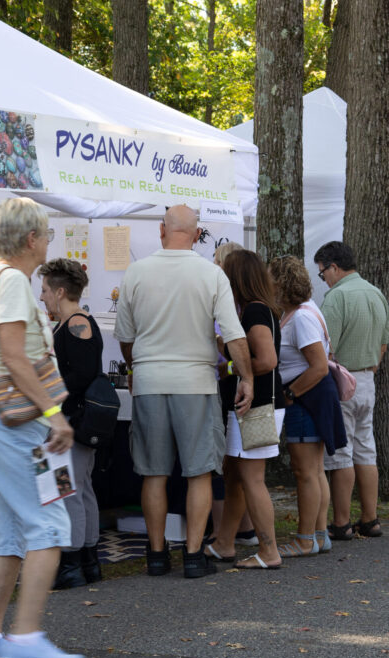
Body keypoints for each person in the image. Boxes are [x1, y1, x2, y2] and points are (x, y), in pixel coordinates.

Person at [0, 197, 85, 658]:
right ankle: (26, 638)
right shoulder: (12, 280)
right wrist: (55, 413)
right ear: (32, 239)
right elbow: (14, 355)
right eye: (48, 234)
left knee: (10, 536)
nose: (49, 241)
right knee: (50, 525)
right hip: (11, 421)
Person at [114, 205, 253, 578]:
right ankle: (193, 555)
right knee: (200, 474)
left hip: (150, 381)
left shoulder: (137, 272)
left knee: (153, 474)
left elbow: (126, 338)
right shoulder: (211, 275)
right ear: (196, 234)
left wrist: (135, 366)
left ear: (162, 230)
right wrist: (247, 378)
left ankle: (157, 554)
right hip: (195, 382)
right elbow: (234, 334)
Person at [199, 245, 288, 569]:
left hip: (257, 404)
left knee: (251, 478)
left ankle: (269, 550)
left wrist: (231, 366)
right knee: (237, 475)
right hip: (254, 404)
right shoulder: (260, 309)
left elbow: (266, 360)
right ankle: (224, 543)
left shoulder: (253, 311)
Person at [313, 241, 389, 541]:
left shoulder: (337, 298)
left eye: (323, 274)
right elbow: (384, 342)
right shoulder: (376, 293)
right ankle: (370, 519)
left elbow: (324, 347)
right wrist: (370, 367)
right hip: (367, 378)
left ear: (333, 267)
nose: (324, 280)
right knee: (366, 449)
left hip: (340, 379)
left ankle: (342, 522)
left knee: (342, 455)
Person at [270, 255, 347, 557]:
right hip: (311, 397)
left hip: (306, 398)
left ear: (281, 283)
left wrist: (290, 393)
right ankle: (318, 534)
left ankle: (305, 539)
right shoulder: (302, 311)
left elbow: (318, 366)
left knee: (306, 472)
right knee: (315, 470)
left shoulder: (300, 317)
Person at [38, 259, 105, 588]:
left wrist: (50, 399)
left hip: (73, 420)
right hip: (75, 419)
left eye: (46, 290)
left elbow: (78, 377)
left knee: (70, 492)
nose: (42, 297)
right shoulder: (76, 322)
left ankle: (71, 562)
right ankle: (89, 562)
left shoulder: (78, 324)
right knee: (82, 489)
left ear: (61, 291)